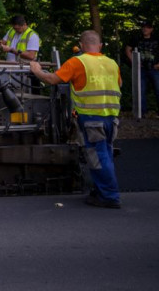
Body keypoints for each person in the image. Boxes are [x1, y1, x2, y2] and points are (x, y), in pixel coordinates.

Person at [30, 30, 122, 209]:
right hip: (111, 117)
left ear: (81, 45)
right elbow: (119, 84)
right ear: (100, 45)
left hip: (91, 117)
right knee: (106, 153)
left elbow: (52, 79)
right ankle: (101, 191)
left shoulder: (77, 62)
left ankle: (110, 196)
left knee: (98, 156)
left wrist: (37, 70)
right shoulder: (112, 63)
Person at [124, 18, 159, 115]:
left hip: (155, 68)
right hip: (141, 69)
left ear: (151, 29)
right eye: (143, 27)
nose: (145, 29)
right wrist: (134, 62)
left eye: (147, 27)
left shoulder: (157, 38)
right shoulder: (136, 38)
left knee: (158, 89)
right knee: (140, 91)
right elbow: (128, 49)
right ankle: (142, 113)